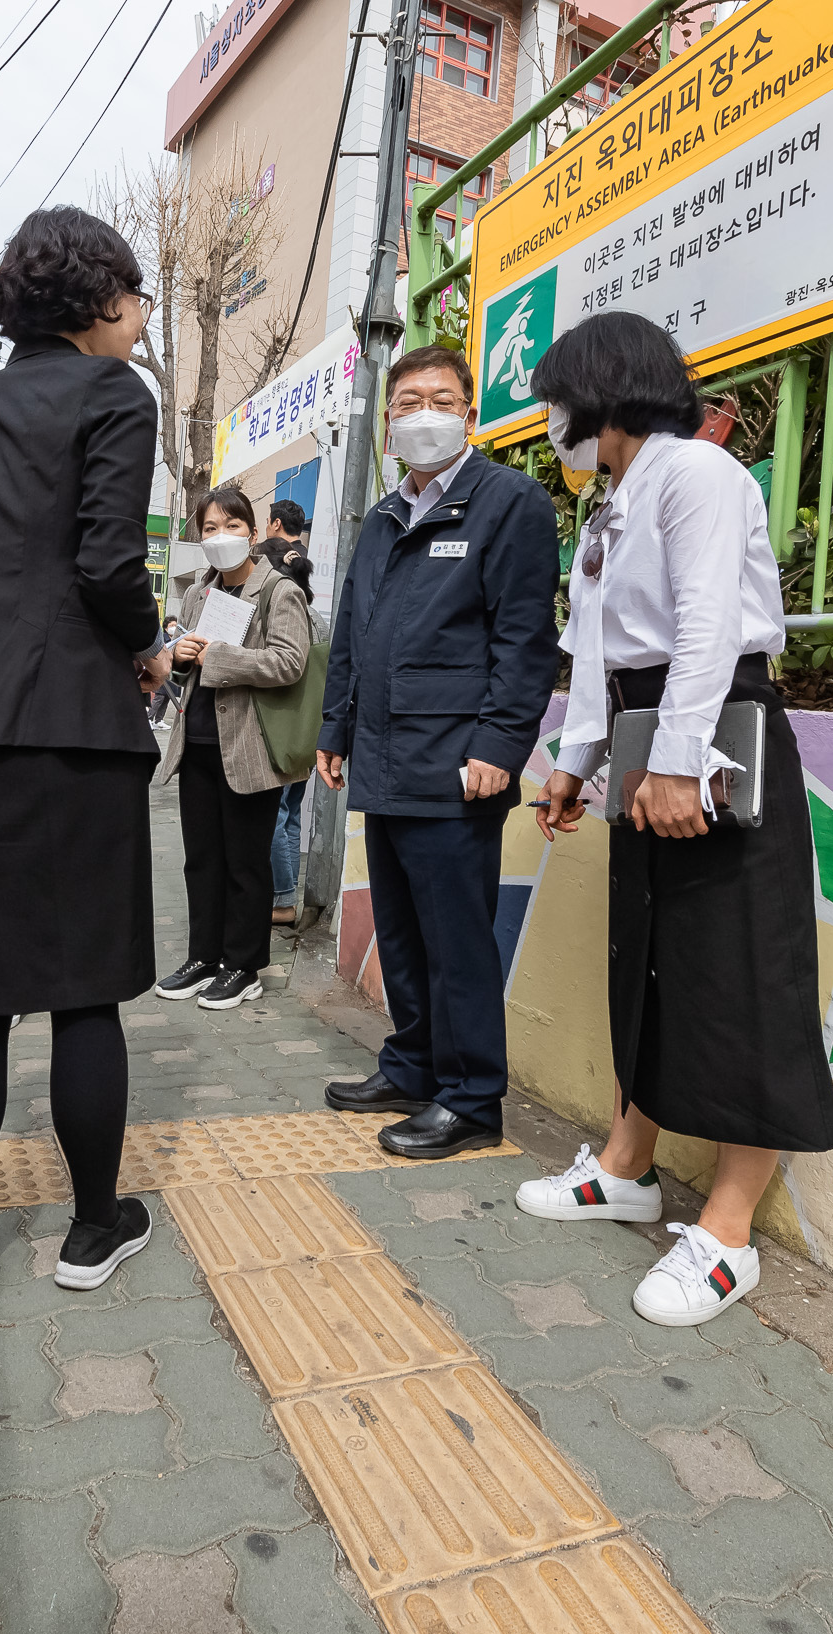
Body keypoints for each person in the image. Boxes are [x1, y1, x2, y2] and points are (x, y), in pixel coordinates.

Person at [519, 311, 833, 1328]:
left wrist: (672, 759)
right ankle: (628, 1165)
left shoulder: (696, 474)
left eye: (557, 401)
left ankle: (730, 1233)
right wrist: (576, 763)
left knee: (740, 971)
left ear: (600, 390)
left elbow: (707, 622)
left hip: (711, 735)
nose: (552, 422)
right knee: (650, 957)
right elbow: (596, 657)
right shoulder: (611, 506)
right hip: (643, 733)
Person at [0, 205, 174, 1312]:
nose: (142, 316)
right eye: (137, 294)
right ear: (100, 298)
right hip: (74, 714)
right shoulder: (114, 395)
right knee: (84, 988)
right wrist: (146, 644)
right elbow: (108, 561)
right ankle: (92, 1229)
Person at [316, 345, 561, 1159]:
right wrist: (334, 728)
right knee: (403, 929)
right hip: (384, 758)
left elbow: (525, 641)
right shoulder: (384, 515)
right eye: (406, 402)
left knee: (456, 939)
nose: (423, 414)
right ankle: (413, 1064)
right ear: (387, 423)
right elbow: (354, 632)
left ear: (470, 414)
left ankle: (470, 1097)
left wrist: (499, 743)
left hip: (458, 760)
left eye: (439, 398)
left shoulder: (510, 503)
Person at [153, 485, 314, 1009]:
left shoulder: (278, 591)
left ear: (253, 531)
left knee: (245, 861)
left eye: (232, 526)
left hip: (249, 747)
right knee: (202, 859)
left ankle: (244, 966)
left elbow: (290, 663)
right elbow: (186, 662)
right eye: (210, 529)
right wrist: (181, 655)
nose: (221, 537)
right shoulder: (199, 591)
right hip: (197, 740)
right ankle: (204, 956)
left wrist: (218, 657)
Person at [251, 533, 316, 924]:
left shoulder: (277, 605)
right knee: (289, 814)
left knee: (274, 814)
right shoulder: (313, 611)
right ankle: (285, 896)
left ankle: (281, 899)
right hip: (305, 728)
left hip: (276, 724)